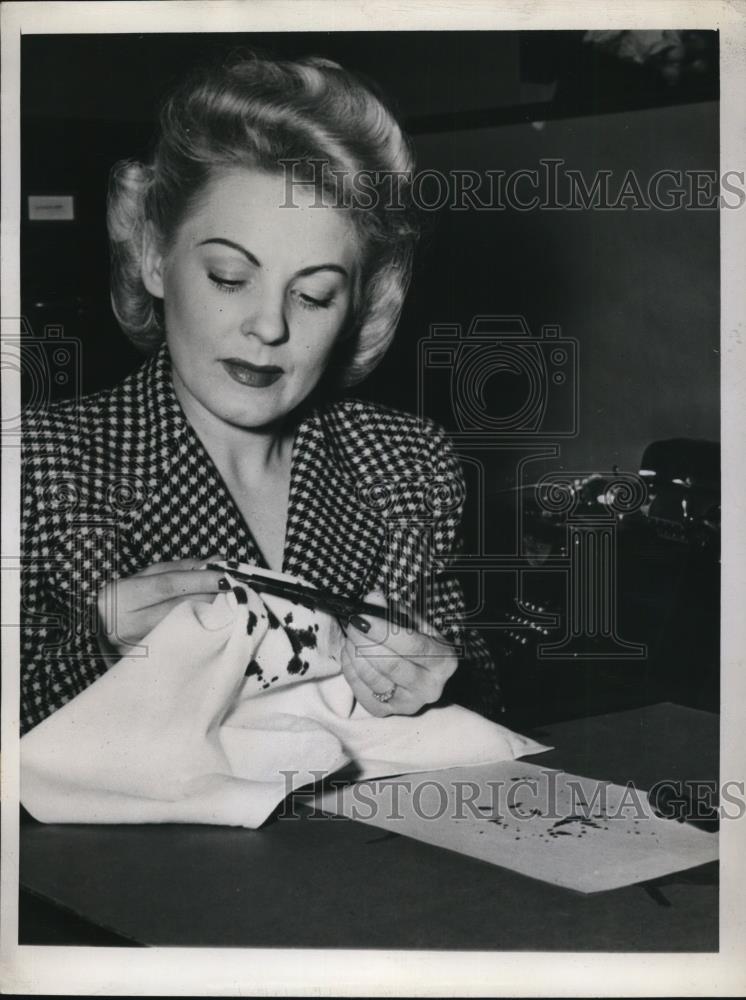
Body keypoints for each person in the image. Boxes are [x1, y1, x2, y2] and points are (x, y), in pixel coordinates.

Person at [20, 52, 500, 737]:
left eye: (313, 295)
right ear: (155, 255)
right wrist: (96, 646)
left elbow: (485, 713)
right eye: (228, 277)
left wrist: (430, 681)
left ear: (359, 307)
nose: (270, 325)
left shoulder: (408, 465)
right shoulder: (36, 466)